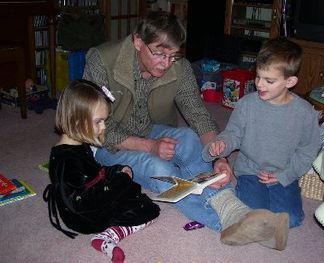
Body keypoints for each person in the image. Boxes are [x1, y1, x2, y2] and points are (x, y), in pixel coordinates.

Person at [83, 11, 289, 250]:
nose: (166, 63)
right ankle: (229, 221)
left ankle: (237, 212)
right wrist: (150, 147)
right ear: (138, 41)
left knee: (191, 140)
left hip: (149, 128)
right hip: (108, 144)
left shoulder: (178, 67)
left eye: (173, 55)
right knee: (160, 169)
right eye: (159, 53)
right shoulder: (101, 60)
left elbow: (198, 115)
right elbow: (93, 127)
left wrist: (218, 157)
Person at [202, 38, 321, 229]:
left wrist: (286, 174)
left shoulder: (305, 113)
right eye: (258, 77)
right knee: (253, 212)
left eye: (269, 80)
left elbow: (307, 151)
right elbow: (233, 133)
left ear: (290, 81)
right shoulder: (247, 104)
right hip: (251, 171)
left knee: (292, 219)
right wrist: (222, 143)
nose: (259, 84)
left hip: (283, 173)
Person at [43, 79, 160, 263]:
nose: (104, 127)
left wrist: (117, 171)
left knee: (132, 190)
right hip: (84, 217)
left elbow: (96, 172)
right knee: (147, 209)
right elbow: (79, 203)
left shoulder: (78, 145)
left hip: (89, 202)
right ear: (76, 120)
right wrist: (119, 183)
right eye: (99, 122)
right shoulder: (66, 159)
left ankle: (114, 222)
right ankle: (108, 236)